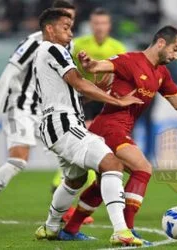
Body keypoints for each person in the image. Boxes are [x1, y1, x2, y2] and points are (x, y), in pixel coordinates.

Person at [57, 25, 177, 242]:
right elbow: (101, 66)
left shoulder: (161, 73)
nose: (176, 55)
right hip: (109, 127)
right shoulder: (130, 60)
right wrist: (91, 64)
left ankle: (70, 230)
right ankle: (127, 231)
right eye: (175, 49)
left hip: (118, 129)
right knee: (143, 168)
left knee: (103, 184)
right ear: (161, 43)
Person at [33, 8, 144, 246]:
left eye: (71, 27)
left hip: (55, 124)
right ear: (49, 29)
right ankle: (121, 231)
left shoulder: (45, 53)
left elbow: (75, 91)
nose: (70, 33)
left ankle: (51, 227)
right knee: (112, 163)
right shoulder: (54, 49)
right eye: (65, 27)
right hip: (63, 122)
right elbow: (78, 83)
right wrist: (117, 100)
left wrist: (100, 90)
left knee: (75, 180)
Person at [0, 0, 76, 229]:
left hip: (45, 111)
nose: (69, 28)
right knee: (18, 160)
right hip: (21, 107)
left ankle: (66, 210)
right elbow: (9, 73)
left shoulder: (68, 46)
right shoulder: (33, 42)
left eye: (71, 23)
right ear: (52, 24)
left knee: (71, 157)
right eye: (65, 23)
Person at [50, 8, 126, 222]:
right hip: (83, 101)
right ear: (91, 25)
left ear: (108, 26)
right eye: (96, 23)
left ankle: (65, 188)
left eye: (103, 23)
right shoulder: (79, 45)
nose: (100, 27)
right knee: (90, 144)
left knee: (95, 146)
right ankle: (62, 185)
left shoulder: (117, 47)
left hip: (105, 100)